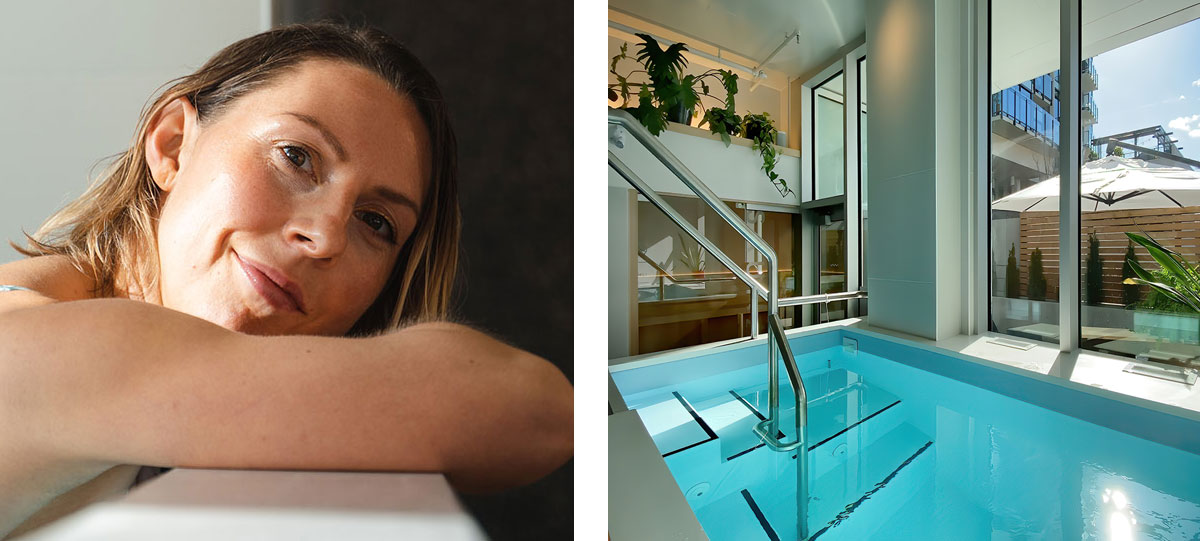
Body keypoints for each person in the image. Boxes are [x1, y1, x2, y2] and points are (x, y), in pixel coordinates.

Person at [0, 22, 573, 538]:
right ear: (173, 143)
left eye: (375, 222)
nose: (325, 236)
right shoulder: (35, 348)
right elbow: (533, 410)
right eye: (296, 157)